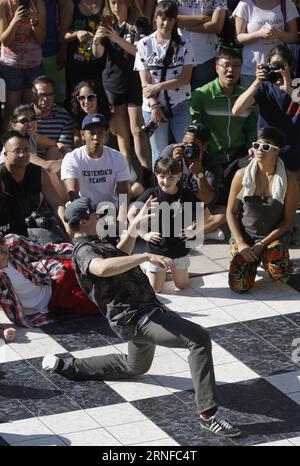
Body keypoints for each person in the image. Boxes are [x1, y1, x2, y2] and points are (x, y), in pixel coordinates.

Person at [42, 195, 241, 438]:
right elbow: (102, 268)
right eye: (95, 215)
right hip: (136, 317)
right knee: (198, 339)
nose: (99, 217)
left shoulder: (94, 241)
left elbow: (117, 255)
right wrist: (145, 256)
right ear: (83, 222)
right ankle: (208, 416)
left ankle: (68, 366)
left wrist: (134, 228)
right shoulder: (83, 250)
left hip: (141, 310)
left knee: (134, 366)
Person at [226, 126, 298, 293]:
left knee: (280, 275)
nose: (259, 150)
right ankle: (251, 261)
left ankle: (267, 261)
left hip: (271, 240)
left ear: (276, 151)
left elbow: (288, 221)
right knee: (239, 287)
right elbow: (230, 212)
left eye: (265, 147)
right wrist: (241, 242)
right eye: (256, 145)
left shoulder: (288, 179)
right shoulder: (241, 175)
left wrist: (262, 244)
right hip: (245, 238)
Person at [0, 232, 99, 342]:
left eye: (2, 242)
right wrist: (2, 332)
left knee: (90, 267)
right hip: (43, 308)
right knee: (99, 303)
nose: (4, 249)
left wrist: (82, 251)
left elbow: (46, 250)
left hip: (51, 279)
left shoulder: (13, 243)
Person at [189, 46, 258, 200]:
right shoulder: (202, 95)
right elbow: (194, 129)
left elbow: (251, 129)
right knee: (212, 200)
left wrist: (250, 150)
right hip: (210, 157)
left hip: (238, 156)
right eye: (226, 65)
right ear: (216, 68)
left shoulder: (247, 97)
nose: (230, 70)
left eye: (235, 65)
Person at [92, 0, 152, 174]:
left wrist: (116, 39)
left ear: (128, 4)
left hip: (134, 82)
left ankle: (147, 171)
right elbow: (98, 55)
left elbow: (139, 51)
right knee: (121, 132)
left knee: (138, 130)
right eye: (113, 3)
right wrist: (96, 41)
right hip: (113, 82)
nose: (116, 7)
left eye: (120, 3)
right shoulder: (106, 23)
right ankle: (126, 173)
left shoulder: (140, 23)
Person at [128, 157, 203, 292]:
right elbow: (131, 214)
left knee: (181, 286)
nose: (166, 181)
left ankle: (176, 270)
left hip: (180, 249)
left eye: (171, 177)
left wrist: (194, 230)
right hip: (157, 250)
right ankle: (148, 267)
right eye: (162, 176)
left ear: (179, 176)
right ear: (156, 175)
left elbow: (206, 213)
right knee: (156, 289)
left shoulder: (185, 194)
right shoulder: (152, 194)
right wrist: (144, 234)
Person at [134, 0, 194, 168]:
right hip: (154, 106)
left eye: (170, 19)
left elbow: (185, 78)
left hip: (179, 103)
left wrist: (158, 86)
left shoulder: (184, 43)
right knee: (159, 153)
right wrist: (154, 106)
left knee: (185, 148)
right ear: (155, 18)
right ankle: (161, 191)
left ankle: (186, 187)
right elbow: (145, 82)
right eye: (162, 18)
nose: (166, 23)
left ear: (175, 21)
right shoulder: (145, 43)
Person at [232, 44, 300, 173]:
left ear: (290, 66)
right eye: (273, 66)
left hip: (293, 155)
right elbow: (237, 110)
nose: (276, 71)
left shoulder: (298, 84)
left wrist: (289, 89)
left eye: (280, 66)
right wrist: (257, 81)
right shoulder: (265, 87)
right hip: (266, 152)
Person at [60, 113, 130, 223]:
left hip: (109, 209)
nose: (96, 137)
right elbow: (73, 194)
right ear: (82, 134)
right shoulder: (72, 158)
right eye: (91, 133)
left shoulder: (118, 158)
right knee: (70, 211)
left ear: (106, 134)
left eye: (100, 132)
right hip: (83, 210)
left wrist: (121, 221)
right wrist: (90, 219)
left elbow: (124, 194)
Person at [161, 123, 226, 240]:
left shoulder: (211, 164)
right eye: (185, 144)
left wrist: (199, 174)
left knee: (224, 213)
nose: (187, 148)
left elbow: (207, 201)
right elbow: (161, 187)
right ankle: (203, 233)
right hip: (171, 205)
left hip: (195, 211)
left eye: (192, 145)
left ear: (204, 146)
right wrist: (174, 165)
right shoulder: (171, 151)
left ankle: (190, 233)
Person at [0, 130, 68, 243]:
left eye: (26, 150)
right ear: (6, 154)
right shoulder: (1, 176)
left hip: (37, 222)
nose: (23, 154)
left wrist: (67, 226)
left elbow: (57, 205)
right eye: (17, 151)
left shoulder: (39, 172)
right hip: (9, 229)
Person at [0, 0, 46, 128]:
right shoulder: (4, 4)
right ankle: (8, 145)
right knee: (12, 112)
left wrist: (35, 22)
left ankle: (28, 145)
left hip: (34, 65)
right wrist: (15, 20)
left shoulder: (38, 4)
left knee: (30, 112)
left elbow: (42, 39)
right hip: (11, 66)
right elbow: (5, 41)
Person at [233, 0, 298, 88]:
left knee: (279, 100)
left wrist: (278, 34)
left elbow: (293, 37)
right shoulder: (245, 4)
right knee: (251, 101)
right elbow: (238, 38)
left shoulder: (286, 3)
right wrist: (258, 34)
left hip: (278, 69)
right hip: (252, 69)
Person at [176, 0, 227, 90]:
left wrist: (185, 26)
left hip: (205, 58)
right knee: (175, 102)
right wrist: (202, 18)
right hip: (176, 56)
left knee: (202, 101)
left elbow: (217, 26)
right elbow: (167, 17)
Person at [64, 0, 105, 106]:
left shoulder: (107, 4)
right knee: (79, 105)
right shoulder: (72, 4)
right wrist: (77, 33)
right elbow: (62, 34)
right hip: (78, 66)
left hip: (103, 67)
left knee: (101, 104)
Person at [32, 75, 74, 159]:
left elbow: (63, 147)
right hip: (27, 158)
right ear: (33, 95)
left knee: (54, 151)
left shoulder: (64, 116)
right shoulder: (24, 113)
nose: (46, 99)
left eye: (50, 95)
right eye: (42, 94)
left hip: (52, 161)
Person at [71, 79, 111, 147]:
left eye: (91, 97)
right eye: (82, 98)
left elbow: (124, 152)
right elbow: (77, 143)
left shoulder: (113, 120)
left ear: (98, 98)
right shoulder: (77, 120)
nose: (86, 101)